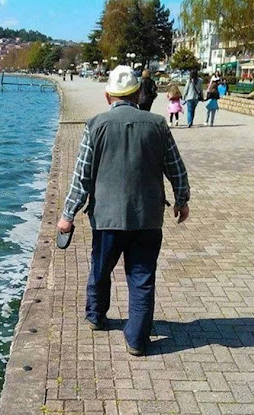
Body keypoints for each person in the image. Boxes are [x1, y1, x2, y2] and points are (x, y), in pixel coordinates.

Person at [56, 66, 190, 356]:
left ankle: (96, 316)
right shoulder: (158, 124)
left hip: (107, 217)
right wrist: (182, 200)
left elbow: (82, 176)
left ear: (108, 96)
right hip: (147, 217)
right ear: (138, 94)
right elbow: (176, 168)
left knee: (100, 269)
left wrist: (68, 215)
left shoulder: (96, 125)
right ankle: (137, 340)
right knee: (142, 279)